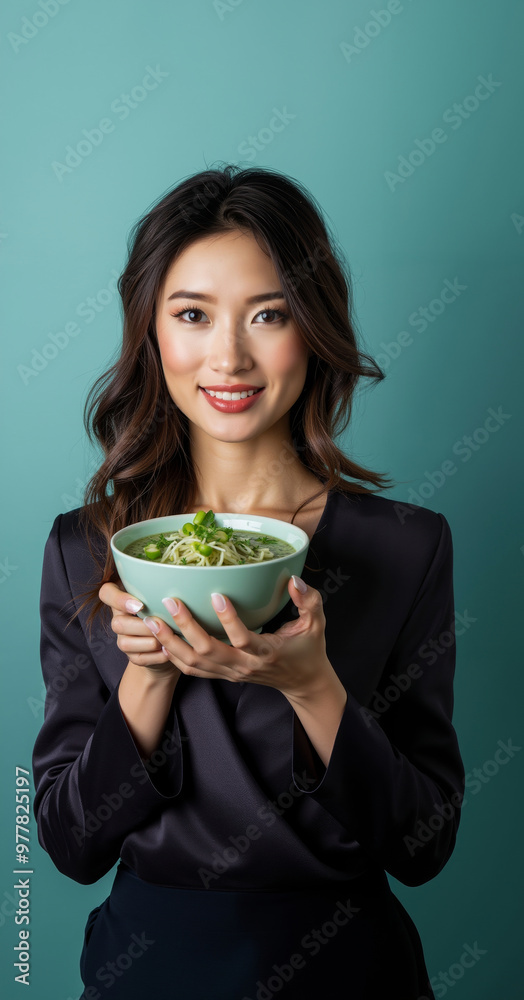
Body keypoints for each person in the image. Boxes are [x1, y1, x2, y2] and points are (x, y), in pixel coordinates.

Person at [32, 164, 465, 1000]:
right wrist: (148, 681)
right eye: (192, 315)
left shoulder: (407, 547)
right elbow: (65, 845)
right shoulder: (85, 551)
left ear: (314, 327)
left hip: (350, 970)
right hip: (149, 968)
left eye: (268, 315)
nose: (228, 356)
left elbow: (425, 846)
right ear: (151, 333)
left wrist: (314, 690)